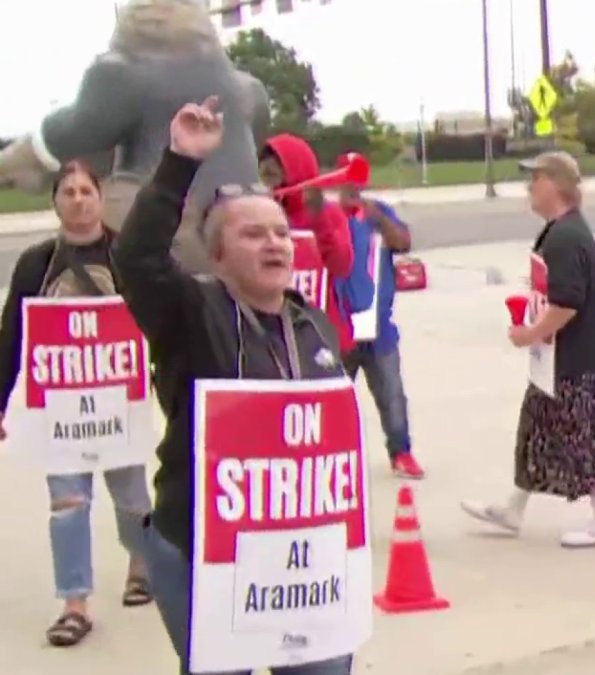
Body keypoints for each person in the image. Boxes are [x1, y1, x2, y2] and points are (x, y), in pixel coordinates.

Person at [114, 97, 352, 675]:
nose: (275, 243)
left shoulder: (311, 322)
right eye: (253, 235)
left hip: (301, 566)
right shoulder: (192, 312)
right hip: (203, 556)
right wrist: (179, 163)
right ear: (217, 255)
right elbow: (137, 257)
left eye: (280, 232)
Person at [0, 159, 154, 647]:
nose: (79, 199)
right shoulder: (36, 264)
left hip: (119, 407)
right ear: (55, 202)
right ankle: (74, 602)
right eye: (68, 192)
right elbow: (11, 338)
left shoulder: (127, 258)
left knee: (131, 499)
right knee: (67, 504)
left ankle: (142, 563)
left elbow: (160, 324)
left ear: (100, 197)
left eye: (87, 190)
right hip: (61, 412)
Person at [0, 0, 270, 275]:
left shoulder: (123, 73)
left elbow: (73, 134)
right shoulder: (248, 89)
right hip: (254, 229)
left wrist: (12, 161)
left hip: (179, 241)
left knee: (107, 193)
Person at [460, 151, 595, 548]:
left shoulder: (566, 236)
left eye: (535, 179)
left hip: (578, 359)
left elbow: (568, 302)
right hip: (556, 360)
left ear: (555, 183)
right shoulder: (559, 230)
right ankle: (514, 509)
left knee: (583, 438)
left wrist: (531, 333)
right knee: (535, 431)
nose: (529, 187)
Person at [338, 186, 423, 478]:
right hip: (340, 328)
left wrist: (378, 218)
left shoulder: (378, 212)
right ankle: (330, 454)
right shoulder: (329, 217)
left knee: (392, 394)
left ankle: (401, 452)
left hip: (379, 327)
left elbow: (403, 243)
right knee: (333, 398)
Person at [258, 133, 355, 355]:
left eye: (277, 168)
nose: (268, 166)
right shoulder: (256, 212)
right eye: (264, 170)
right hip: (273, 335)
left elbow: (341, 266)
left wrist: (319, 219)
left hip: (320, 332)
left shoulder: (329, 213)